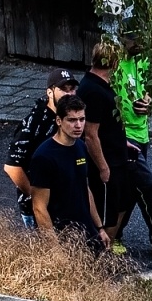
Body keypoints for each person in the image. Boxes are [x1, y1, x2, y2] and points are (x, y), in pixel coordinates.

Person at [27, 94, 113, 252]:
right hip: (63, 236)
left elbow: (84, 188)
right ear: (59, 121)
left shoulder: (80, 146)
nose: (78, 125)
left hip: (87, 231)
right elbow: (39, 207)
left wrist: (100, 228)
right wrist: (55, 249)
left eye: (82, 119)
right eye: (72, 120)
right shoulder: (44, 157)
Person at [111, 35, 152, 259]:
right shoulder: (115, 62)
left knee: (131, 189)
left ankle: (115, 234)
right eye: (134, 38)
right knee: (147, 186)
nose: (139, 42)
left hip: (142, 133)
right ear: (123, 38)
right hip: (125, 136)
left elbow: (150, 89)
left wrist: (148, 101)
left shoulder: (143, 59)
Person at [3, 67, 79, 230]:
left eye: (72, 89)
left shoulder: (68, 116)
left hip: (64, 202)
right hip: (39, 208)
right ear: (50, 92)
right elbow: (12, 166)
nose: (69, 94)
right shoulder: (35, 123)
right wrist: (38, 198)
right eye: (63, 89)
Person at [78, 41, 134, 256]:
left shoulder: (101, 85)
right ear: (113, 62)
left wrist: (123, 142)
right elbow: (91, 135)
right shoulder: (93, 90)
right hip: (106, 162)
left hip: (117, 155)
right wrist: (103, 167)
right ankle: (101, 253)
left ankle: (106, 250)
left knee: (123, 202)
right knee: (107, 212)